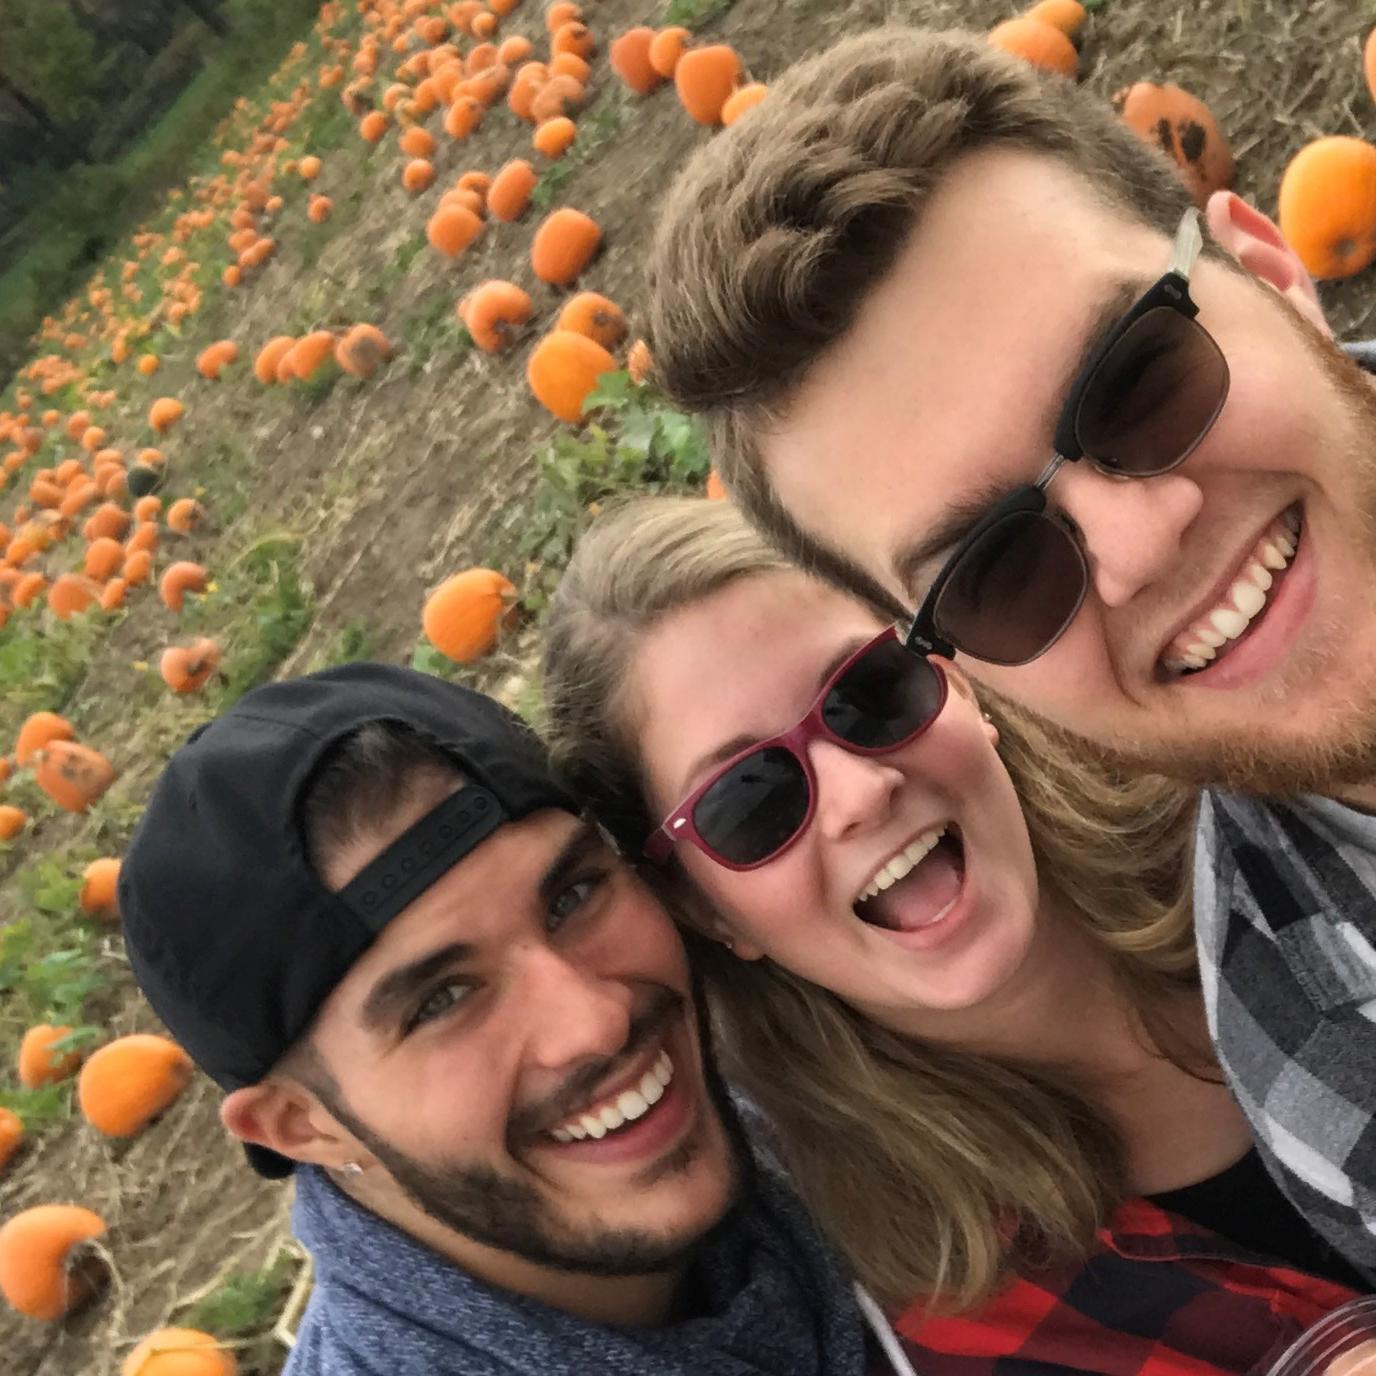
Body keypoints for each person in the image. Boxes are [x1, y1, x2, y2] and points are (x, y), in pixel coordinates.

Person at [644, 26, 1376, 1275]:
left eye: (1139, 377)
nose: (1137, 544)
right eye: (995, 571)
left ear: (1266, 265)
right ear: (968, 673)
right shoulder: (1310, 1047)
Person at [539, 494, 1366, 1372]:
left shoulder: (1264, 802)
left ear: (959, 677)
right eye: (750, 800)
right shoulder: (943, 1299)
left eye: (871, 691)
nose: (861, 795)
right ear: (704, 908)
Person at [116, 663, 888, 1376]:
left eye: (572, 897)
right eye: (442, 999)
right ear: (303, 1125)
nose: (596, 1023)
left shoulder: (824, 1114)